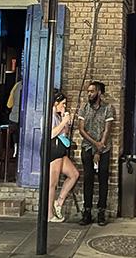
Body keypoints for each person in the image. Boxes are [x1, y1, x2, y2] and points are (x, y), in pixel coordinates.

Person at [77, 81, 115, 226]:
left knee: (103, 179)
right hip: (87, 147)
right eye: (88, 91)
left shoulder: (108, 108)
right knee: (88, 179)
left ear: (99, 92)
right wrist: (94, 143)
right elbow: (81, 129)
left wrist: (100, 147)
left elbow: (107, 129)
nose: (89, 94)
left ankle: (101, 211)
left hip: (104, 148)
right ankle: (87, 211)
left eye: (92, 91)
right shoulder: (84, 108)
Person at [48, 92, 80, 222]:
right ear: (56, 103)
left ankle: (59, 202)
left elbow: (65, 132)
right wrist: (63, 123)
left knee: (74, 174)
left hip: (61, 150)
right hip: (53, 150)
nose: (65, 106)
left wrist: (65, 120)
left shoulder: (58, 116)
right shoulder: (49, 116)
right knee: (52, 184)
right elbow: (51, 133)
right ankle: (49, 214)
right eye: (63, 104)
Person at [7, 77, 22, 157]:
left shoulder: (17, 85)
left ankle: (15, 150)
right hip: (23, 118)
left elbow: (9, 104)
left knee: (15, 134)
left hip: (14, 117)